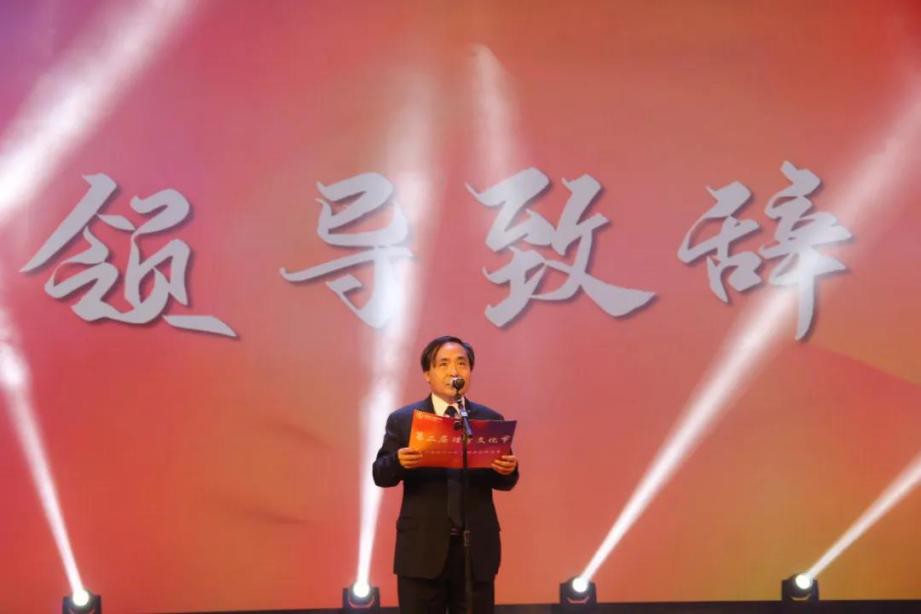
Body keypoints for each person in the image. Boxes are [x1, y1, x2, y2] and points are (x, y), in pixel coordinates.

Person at [373, 336, 519, 614]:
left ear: (470, 371)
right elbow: (381, 475)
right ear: (427, 374)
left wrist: (508, 470)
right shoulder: (404, 419)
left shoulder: (488, 419)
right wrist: (398, 461)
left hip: (475, 550)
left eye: (461, 363)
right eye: (443, 364)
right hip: (422, 548)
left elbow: (505, 481)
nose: (454, 370)